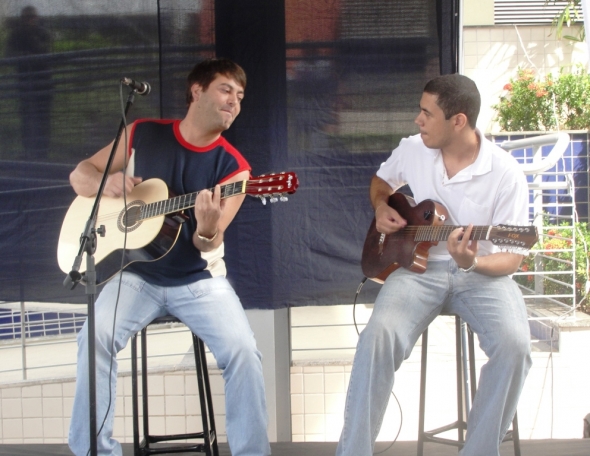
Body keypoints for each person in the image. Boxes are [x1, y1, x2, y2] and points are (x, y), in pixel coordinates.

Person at [67, 58, 271, 456]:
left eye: (241, 96)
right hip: (137, 273)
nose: (235, 102)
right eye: (226, 90)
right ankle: (94, 452)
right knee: (93, 338)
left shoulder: (236, 169)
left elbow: (208, 245)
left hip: (199, 281)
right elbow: (80, 175)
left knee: (244, 351)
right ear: (197, 90)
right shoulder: (143, 133)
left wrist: (208, 227)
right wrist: (105, 181)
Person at [336, 74, 532, 456]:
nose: (417, 120)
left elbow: (513, 256)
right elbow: (381, 181)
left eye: (426, 113)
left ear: (458, 121)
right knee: (378, 336)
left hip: (482, 275)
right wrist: (380, 207)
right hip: (415, 270)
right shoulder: (413, 149)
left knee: (515, 345)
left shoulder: (505, 172)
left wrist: (472, 262)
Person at [5, 5, 53, 160]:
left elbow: (48, 52)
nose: (30, 20)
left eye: (32, 17)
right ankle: (29, 151)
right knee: (27, 118)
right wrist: (25, 56)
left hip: (42, 82)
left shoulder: (42, 34)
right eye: (27, 18)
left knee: (42, 118)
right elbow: (9, 54)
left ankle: (42, 152)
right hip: (26, 83)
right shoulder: (17, 35)